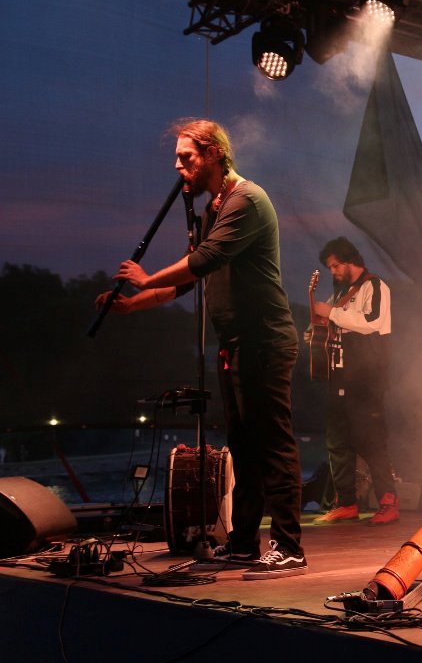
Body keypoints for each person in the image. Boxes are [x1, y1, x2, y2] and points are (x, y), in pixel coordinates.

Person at [95, 118, 307, 579]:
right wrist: (133, 304)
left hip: (265, 340)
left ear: (213, 153)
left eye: (186, 157)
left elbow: (206, 259)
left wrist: (146, 277)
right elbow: (190, 281)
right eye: (177, 158)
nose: (178, 167)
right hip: (236, 345)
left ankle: (290, 547)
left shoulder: (247, 200)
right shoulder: (213, 208)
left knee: (272, 444)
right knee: (244, 447)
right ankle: (245, 544)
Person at [310, 237, 399, 526]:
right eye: (330, 267)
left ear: (350, 261)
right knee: (338, 441)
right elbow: (333, 323)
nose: (333, 271)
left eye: (336, 265)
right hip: (340, 375)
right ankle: (347, 503)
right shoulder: (340, 293)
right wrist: (316, 331)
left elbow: (371, 321)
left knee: (371, 440)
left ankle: (389, 502)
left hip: (366, 379)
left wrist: (331, 313)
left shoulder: (375, 286)